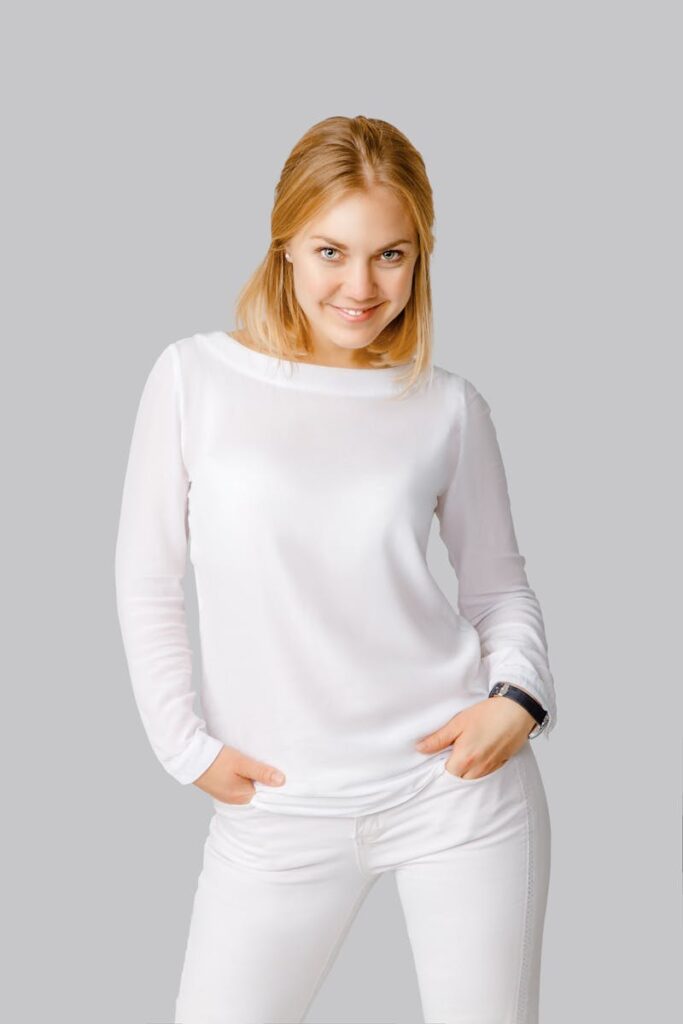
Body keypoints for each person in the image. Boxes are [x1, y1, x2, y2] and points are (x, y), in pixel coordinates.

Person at [114, 115, 557, 1024]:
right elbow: (147, 577)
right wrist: (182, 746)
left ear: (420, 257)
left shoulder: (447, 408)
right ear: (284, 245)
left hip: (456, 795)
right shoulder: (194, 379)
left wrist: (518, 699)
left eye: (391, 256)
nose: (360, 287)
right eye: (330, 251)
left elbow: (497, 586)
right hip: (279, 808)